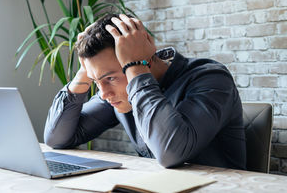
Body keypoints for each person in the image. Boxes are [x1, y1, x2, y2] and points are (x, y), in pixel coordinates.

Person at [44, 13, 246, 170]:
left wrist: (135, 67)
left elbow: (170, 152)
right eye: (97, 81)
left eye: (110, 78)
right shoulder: (114, 93)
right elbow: (56, 138)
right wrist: (85, 72)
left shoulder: (211, 79)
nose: (104, 93)